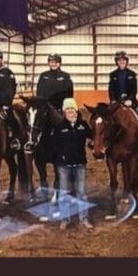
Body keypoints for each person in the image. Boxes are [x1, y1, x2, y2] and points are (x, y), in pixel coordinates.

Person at [52, 98, 93, 230]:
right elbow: (54, 146)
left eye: (72, 108)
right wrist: (61, 156)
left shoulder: (83, 125)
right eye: (67, 109)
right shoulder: (59, 127)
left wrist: (93, 144)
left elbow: (93, 137)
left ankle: (84, 219)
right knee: (64, 193)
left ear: (76, 110)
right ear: (64, 111)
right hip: (63, 165)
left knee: (82, 192)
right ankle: (65, 219)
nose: (70, 111)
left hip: (80, 163)